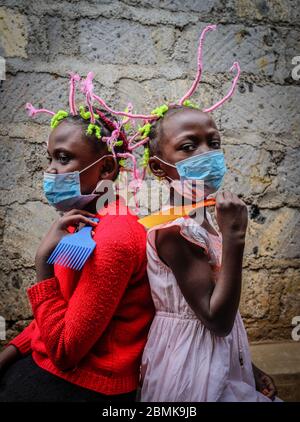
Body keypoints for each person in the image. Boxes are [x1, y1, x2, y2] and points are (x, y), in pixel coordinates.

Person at [0, 73, 155, 402]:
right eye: (50, 158)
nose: (51, 170)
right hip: (53, 371)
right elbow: (64, 313)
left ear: (107, 169)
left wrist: (42, 262)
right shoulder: (87, 220)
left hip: (84, 386)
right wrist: (11, 353)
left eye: (64, 158)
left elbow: (66, 351)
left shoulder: (114, 236)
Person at [138, 104, 280, 402]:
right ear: (158, 167)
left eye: (213, 143)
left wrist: (247, 367)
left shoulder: (200, 219)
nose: (206, 153)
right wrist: (235, 238)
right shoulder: (175, 231)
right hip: (191, 368)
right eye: (188, 147)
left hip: (211, 356)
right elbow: (216, 319)